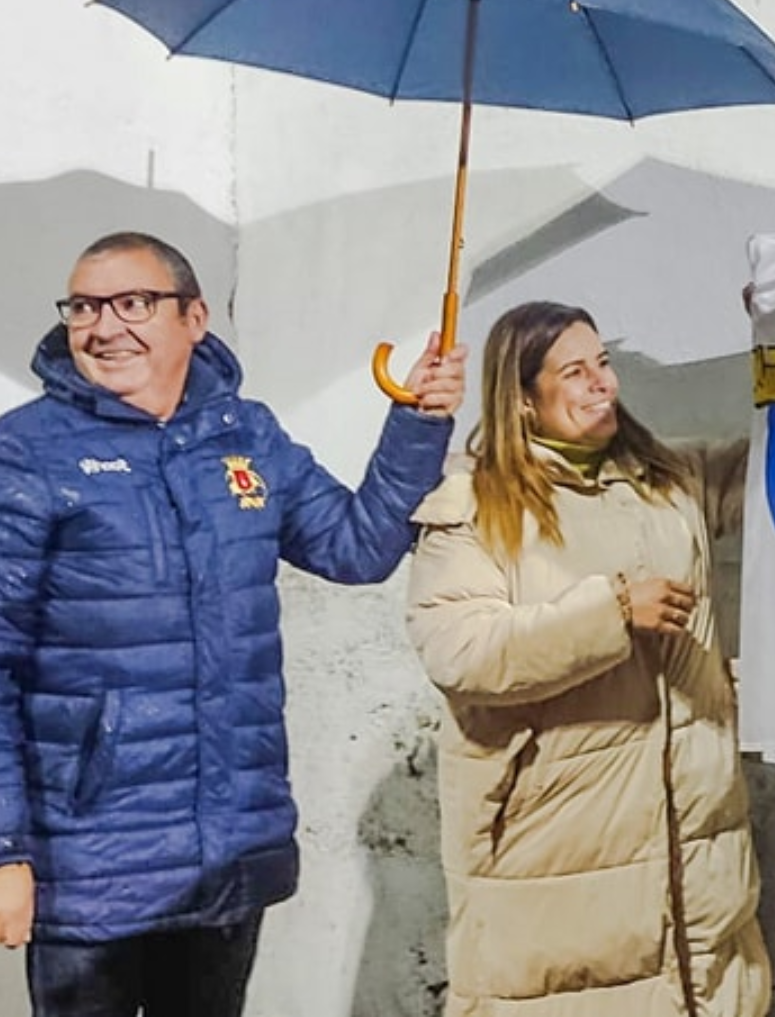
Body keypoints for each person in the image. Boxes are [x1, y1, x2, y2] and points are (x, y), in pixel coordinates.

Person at [0, 230, 466, 1017]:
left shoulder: (247, 435)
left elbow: (357, 549)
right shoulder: (27, 454)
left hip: (224, 854)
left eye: (133, 302)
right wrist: (6, 850)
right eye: (84, 306)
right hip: (87, 866)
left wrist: (416, 422)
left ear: (194, 317)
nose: (104, 326)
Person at [406, 301, 768, 1017]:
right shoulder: (475, 504)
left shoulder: (668, 477)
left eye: (603, 363)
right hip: (556, 850)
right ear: (521, 394)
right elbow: (462, 650)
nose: (602, 383)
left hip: (694, 843)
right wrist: (610, 613)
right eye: (574, 371)